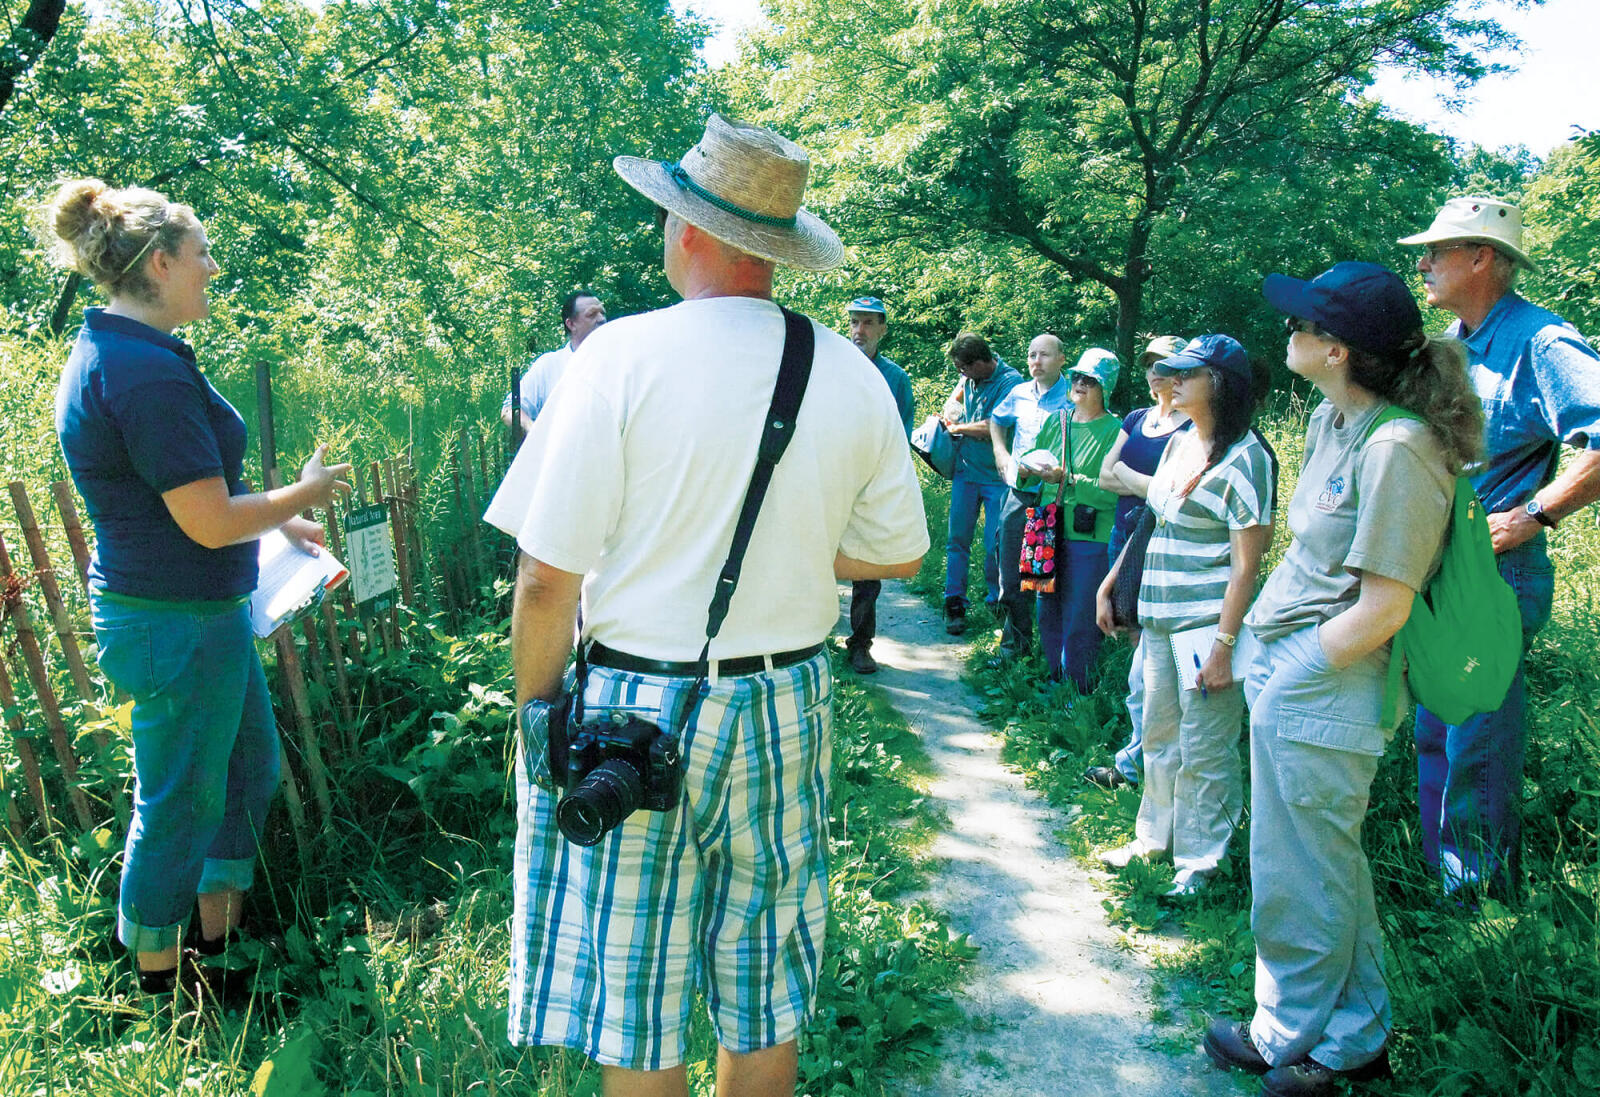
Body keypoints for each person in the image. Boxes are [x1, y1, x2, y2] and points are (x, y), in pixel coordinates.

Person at [482, 114, 927, 1097]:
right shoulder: (850, 372)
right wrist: (799, 545)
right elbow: (898, 551)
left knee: (636, 1007)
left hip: (629, 711)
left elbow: (547, 575)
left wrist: (537, 715)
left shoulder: (617, 357)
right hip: (786, 702)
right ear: (776, 250)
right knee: (763, 986)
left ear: (686, 230)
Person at [43, 179, 351, 995]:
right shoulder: (142, 374)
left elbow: (188, 488)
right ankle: (160, 994)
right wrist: (301, 496)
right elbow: (209, 522)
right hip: (173, 623)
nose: (213, 267)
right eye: (203, 253)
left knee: (249, 775)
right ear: (161, 261)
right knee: (178, 804)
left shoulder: (138, 355)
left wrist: (276, 523)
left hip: (199, 614)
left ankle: (219, 960)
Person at [1203, 262, 1482, 1097]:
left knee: (1301, 869)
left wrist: (1287, 674)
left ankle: (1290, 1034)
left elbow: (1385, 607)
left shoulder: (1399, 446)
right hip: (1300, 674)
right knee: (1327, 862)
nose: (1286, 335)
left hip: (1329, 682)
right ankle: (1355, 1035)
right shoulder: (1338, 420)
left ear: (1336, 348)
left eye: (1301, 326)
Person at [1398, 196, 1600, 895]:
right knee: (1436, 739)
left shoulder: (1542, 342)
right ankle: (1438, 900)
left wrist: (1535, 515)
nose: (1422, 262)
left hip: (1493, 578)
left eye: (1437, 250)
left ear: (1483, 257)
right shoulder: (1449, 345)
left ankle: (1481, 914)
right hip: (1435, 575)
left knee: (1475, 748)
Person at [1094, 334, 1274, 897]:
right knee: (1157, 733)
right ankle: (1153, 840)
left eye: (1186, 374)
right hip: (1158, 617)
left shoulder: (1248, 457)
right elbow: (1155, 522)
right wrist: (1112, 585)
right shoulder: (1179, 444)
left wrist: (1224, 647)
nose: (1171, 382)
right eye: (1170, 373)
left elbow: (1247, 567)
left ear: (1219, 385)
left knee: (1205, 746)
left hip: (1204, 628)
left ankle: (1201, 861)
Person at [1085, 335, 1190, 789]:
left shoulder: (1190, 428)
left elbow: (1174, 495)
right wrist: (1145, 484)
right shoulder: (1137, 418)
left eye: (1164, 363)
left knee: (1158, 659)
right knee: (1136, 649)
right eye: (1148, 363)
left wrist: (1132, 479)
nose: (1154, 372)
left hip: (1164, 544)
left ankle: (1148, 760)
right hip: (1125, 538)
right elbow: (1104, 477)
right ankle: (1142, 752)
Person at [1028, 347, 1121, 690]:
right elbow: (1033, 464)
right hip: (1046, 526)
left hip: (1090, 532)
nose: (1080, 384)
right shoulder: (1057, 421)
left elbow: (1115, 490)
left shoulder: (1116, 430)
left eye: (1090, 380)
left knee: (1081, 612)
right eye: (1078, 377)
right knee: (1046, 604)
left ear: (1105, 388)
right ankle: (1055, 680)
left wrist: (1067, 479)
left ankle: (1077, 690)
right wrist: (1027, 469)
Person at [986, 333, 1072, 660]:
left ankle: (1052, 655)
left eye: (1045, 355)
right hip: (1019, 494)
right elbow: (997, 420)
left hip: (1052, 498)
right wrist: (1000, 453)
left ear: (1062, 358)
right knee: (1009, 572)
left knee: (1042, 577)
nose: (1037, 361)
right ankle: (1015, 650)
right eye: (1032, 355)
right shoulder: (1019, 393)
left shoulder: (1072, 397)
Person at [843, 295, 916, 674]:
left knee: (866, 571)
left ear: (883, 329)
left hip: (870, 486)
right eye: (855, 322)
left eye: (868, 323)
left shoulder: (896, 379)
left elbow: (900, 438)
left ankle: (859, 643)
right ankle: (807, 639)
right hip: (831, 479)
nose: (860, 330)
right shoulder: (831, 368)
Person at [938, 333, 1023, 635]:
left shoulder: (1010, 382)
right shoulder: (967, 377)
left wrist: (958, 427)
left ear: (980, 362)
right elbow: (956, 395)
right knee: (957, 540)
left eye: (964, 368)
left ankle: (997, 602)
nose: (961, 374)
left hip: (996, 477)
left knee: (994, 545)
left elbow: (994, 424)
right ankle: (954, 603)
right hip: (965, 471)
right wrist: (950, 408)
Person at [501, 289, 608, 430]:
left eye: (602, 312)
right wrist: (533, 430)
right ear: (571, 324)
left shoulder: (618, 364)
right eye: (592, 314)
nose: (601, 319)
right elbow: (509, 410)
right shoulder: (549, 365)